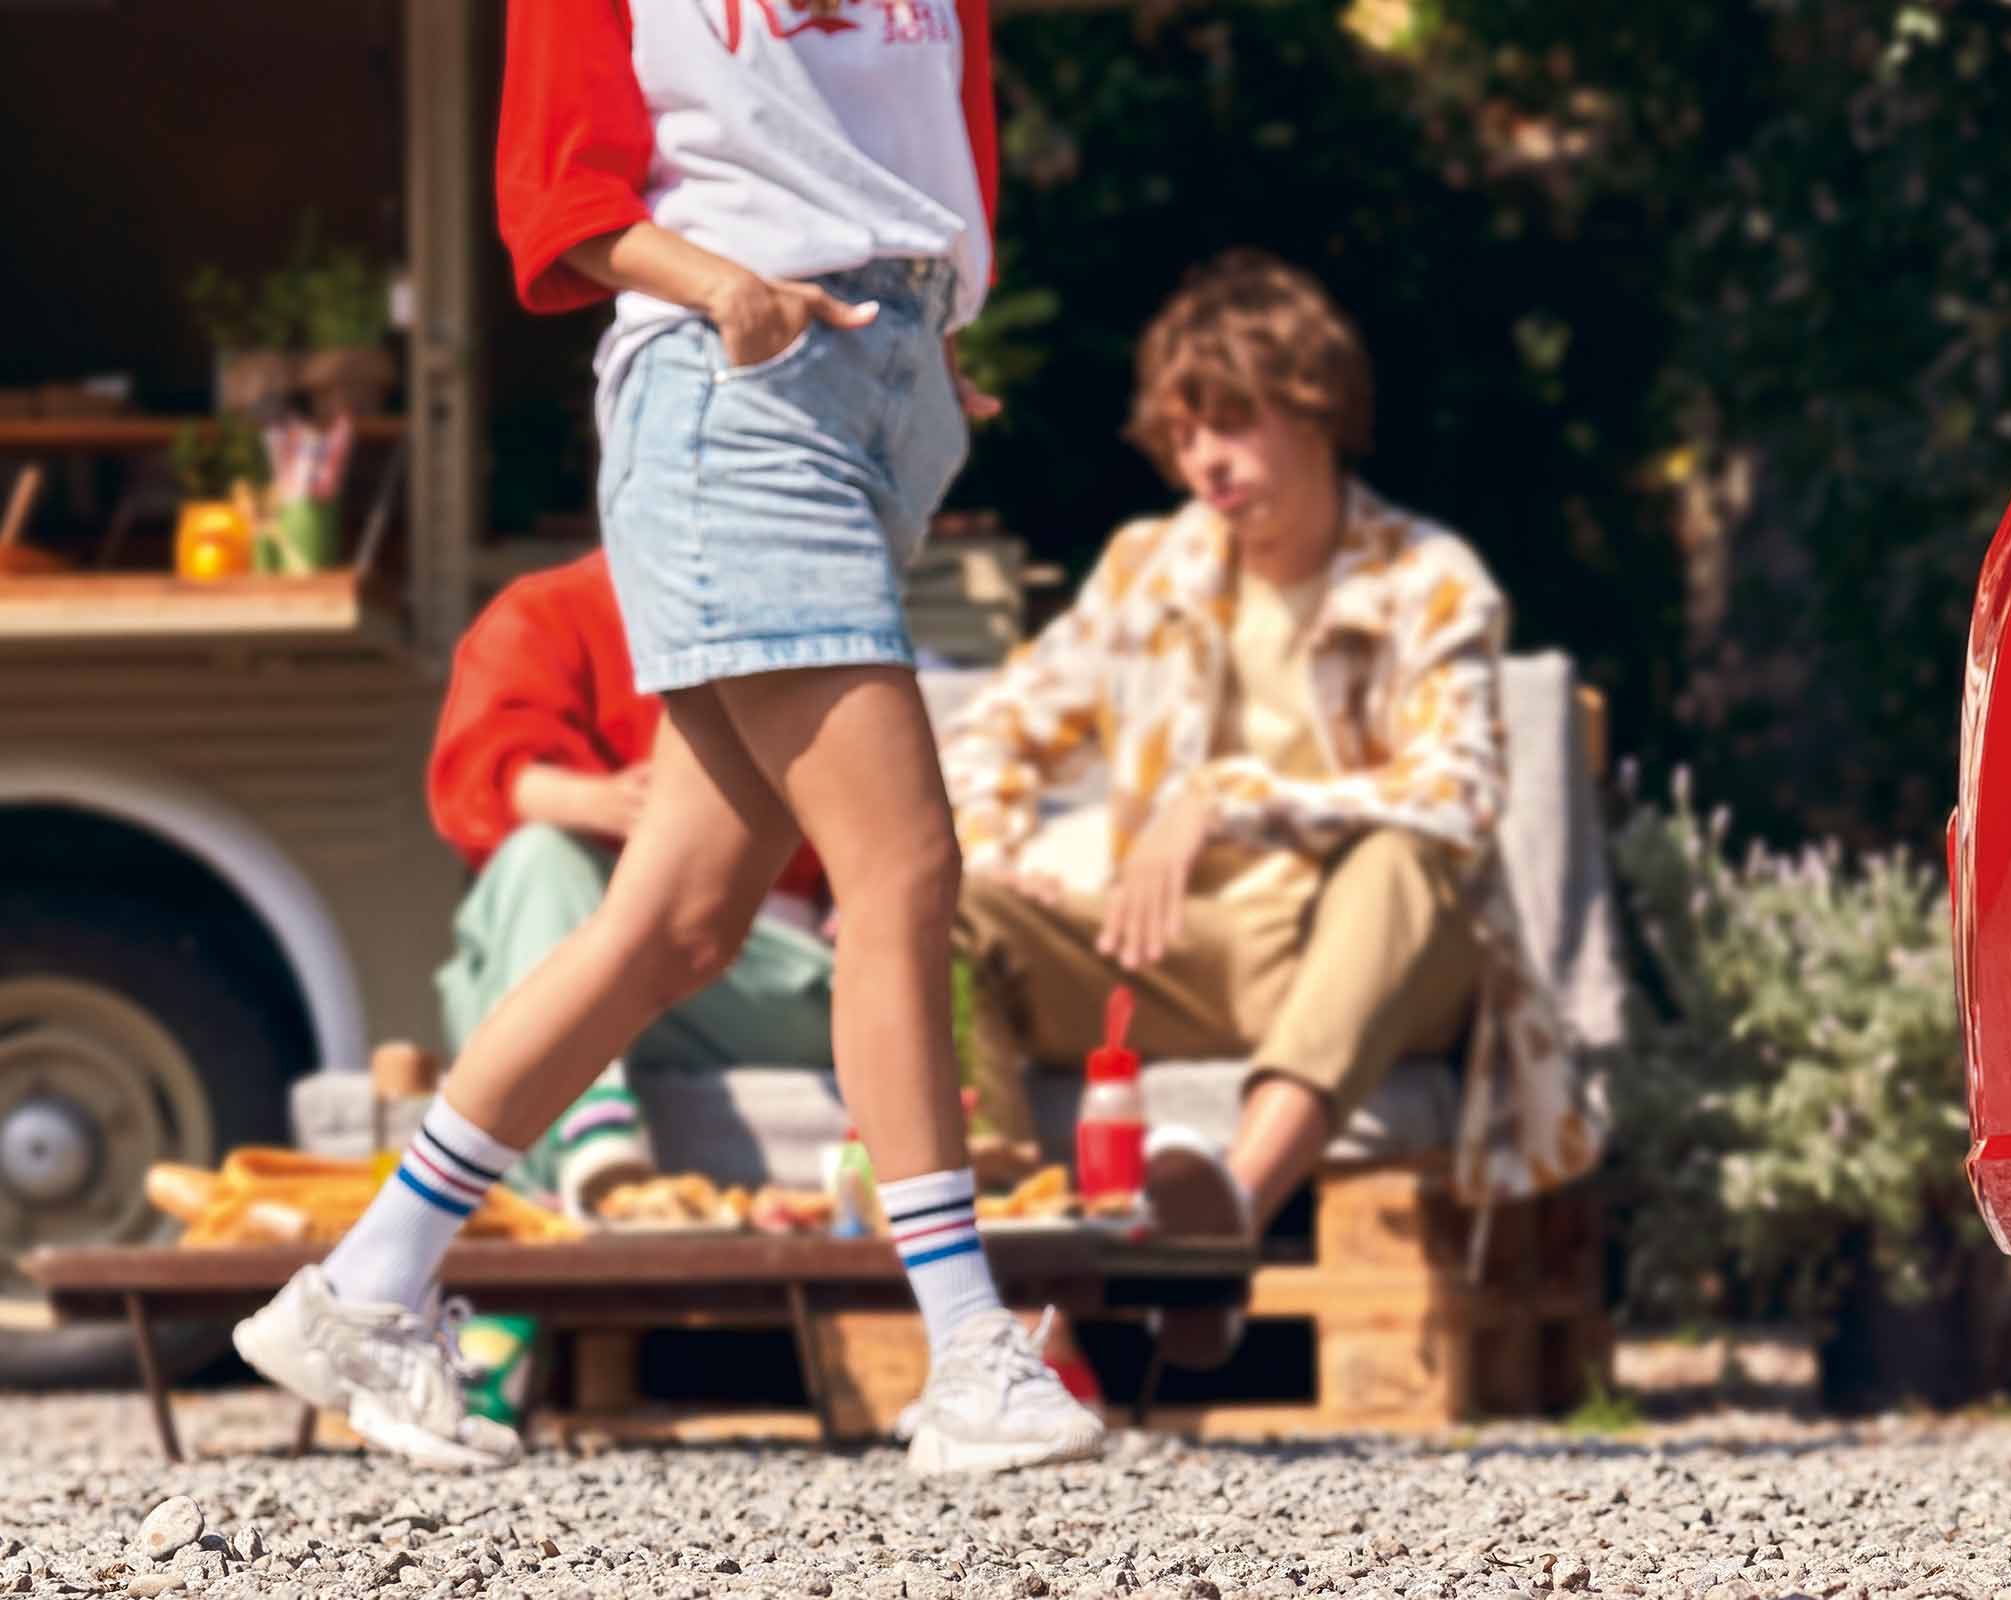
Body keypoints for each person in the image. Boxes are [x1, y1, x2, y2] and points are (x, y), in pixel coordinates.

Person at [230, 0, 1104, 1475]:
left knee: (682, 920)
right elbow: (555, 189)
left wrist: (924, 326)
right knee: (903, 873)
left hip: (878, 384)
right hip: (736, 392)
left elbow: (915, 128)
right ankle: (966, 1352)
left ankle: (365, 1287)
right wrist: (727, 291)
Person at [941, 251, 1570, 1365]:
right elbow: (993, 730)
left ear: (1314, 407)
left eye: (1232, 424)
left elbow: (1461, 794)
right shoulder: (1149, 567)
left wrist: (1228, 801)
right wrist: (1004, 849)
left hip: (1367, 957)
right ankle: (1000, 1296)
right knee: (948, 909)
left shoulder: (1429, 576)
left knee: (1400, 862)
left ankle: (1227, 1207)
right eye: (1183, 438)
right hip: (1171, 951)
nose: (1206, 462)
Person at [425, 551, 842, 1217]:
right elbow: (487, 778)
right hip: (593, 935)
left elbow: (894, 826)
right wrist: (617, 806)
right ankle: (591, 1144)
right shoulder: (546, 609)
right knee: (540, 864)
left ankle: (523, 1273)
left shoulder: (812, 617)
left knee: (503, 1000)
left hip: (755, 972)